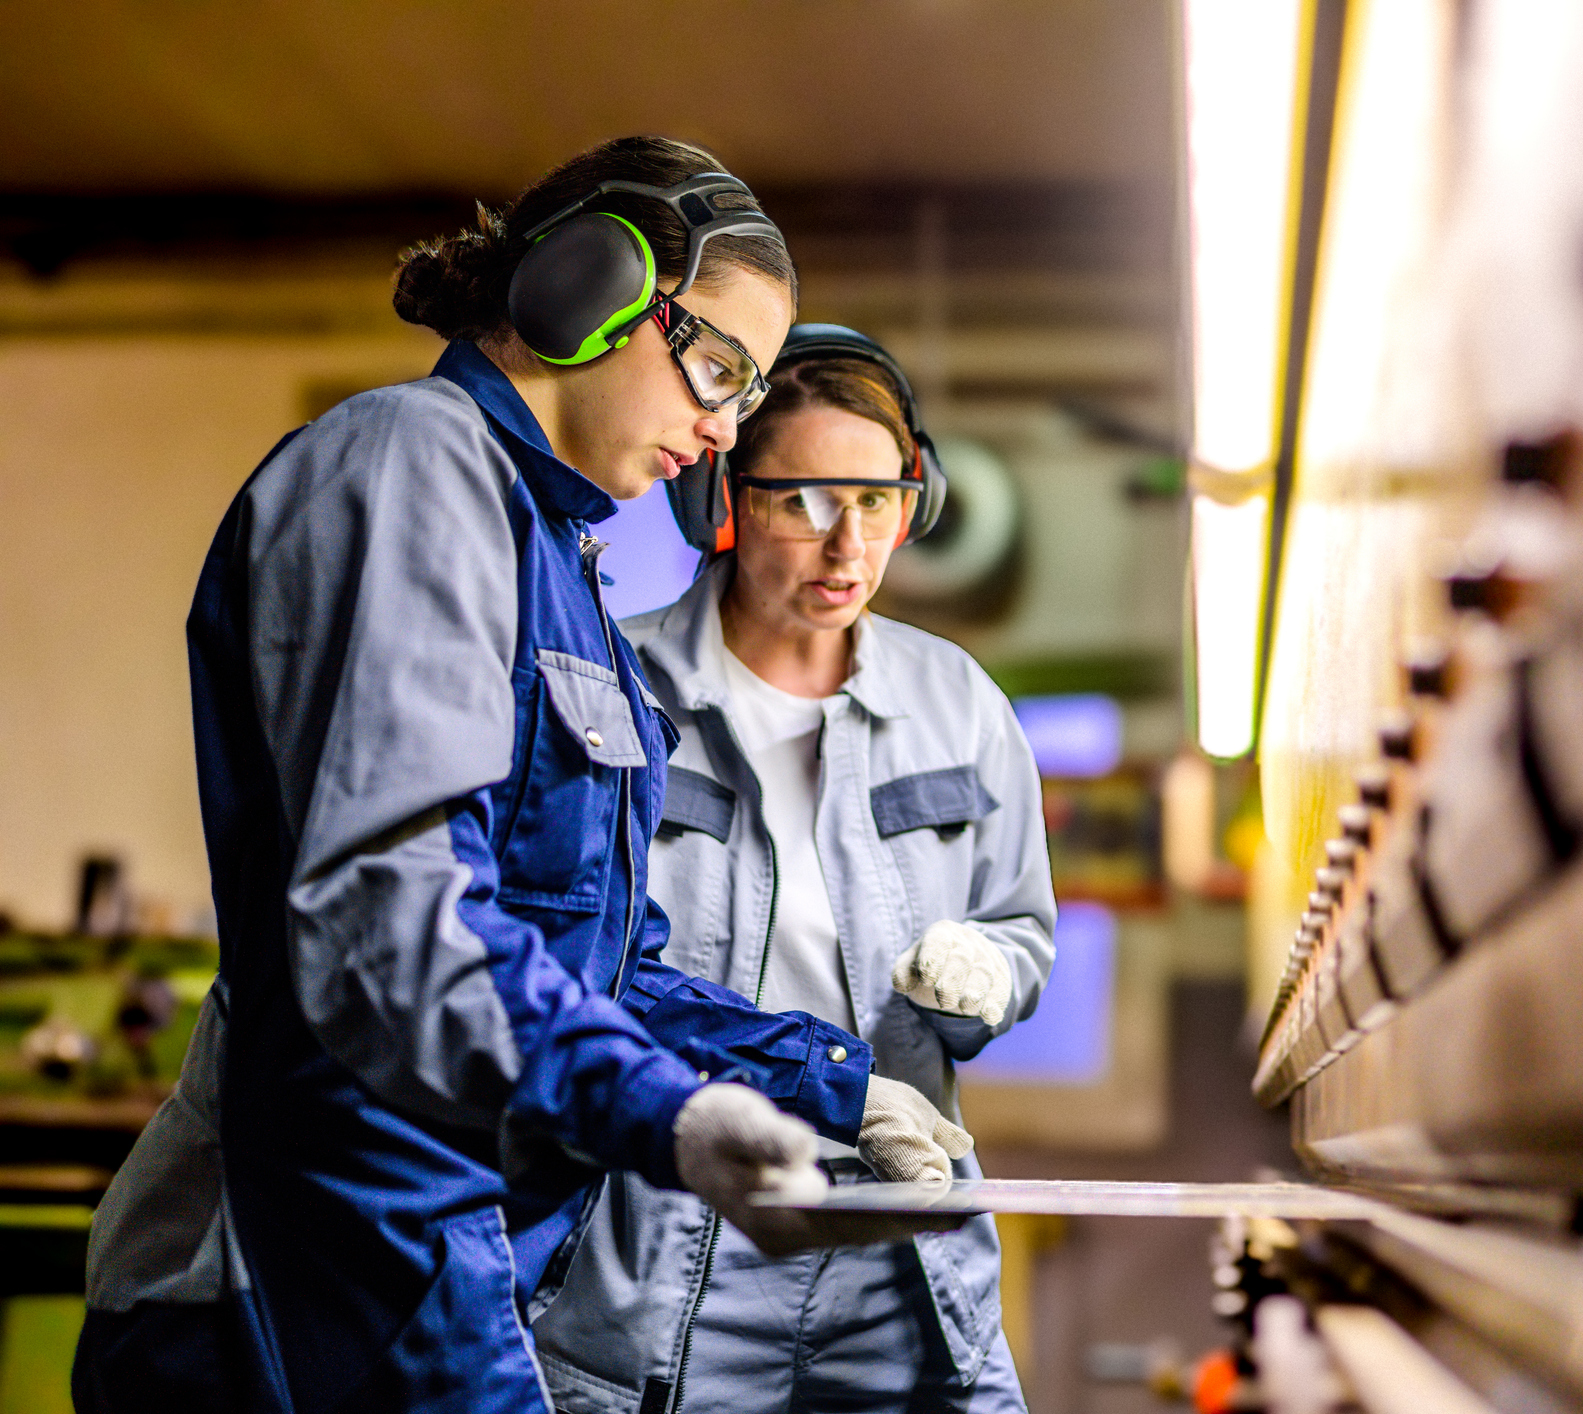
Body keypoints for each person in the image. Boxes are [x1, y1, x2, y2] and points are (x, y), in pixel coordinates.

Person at [73, 138, 969, 1414]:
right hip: (301, 1271)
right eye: (715, 368)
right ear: (585, 284)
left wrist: (829, 1082)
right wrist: (665, 1114)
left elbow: (595, 967)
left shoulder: (563, 563)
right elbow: (395, 937)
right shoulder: (409, 468)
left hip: (428, 1254)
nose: (724, 427)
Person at [530, 327, 1057, 1414]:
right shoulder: (611, 690)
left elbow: (1021, 927)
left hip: (902, 1240)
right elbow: (576, 966)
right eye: (803, 501)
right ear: (721, 496)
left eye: (879, 500)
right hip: (669, 1232)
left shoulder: (959, 704)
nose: (846, 545)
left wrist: (992, 972)